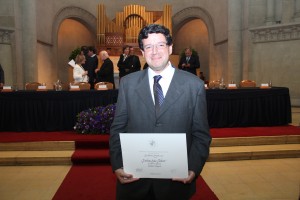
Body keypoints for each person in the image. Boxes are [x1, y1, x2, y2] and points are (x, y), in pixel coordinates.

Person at [109, 24, 211, 200]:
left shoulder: (193, 85)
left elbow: (201, 134)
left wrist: (193, 169)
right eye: (148, 46)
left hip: (175, 184)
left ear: (170, 48)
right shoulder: (128, 84)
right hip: (134, 183)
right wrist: (117, 165)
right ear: (142, 52)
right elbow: (118, 128)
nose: (154, 51)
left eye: (160, 45)